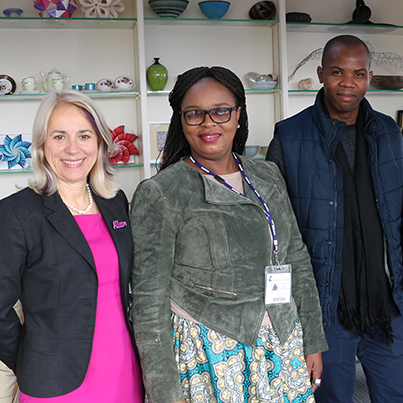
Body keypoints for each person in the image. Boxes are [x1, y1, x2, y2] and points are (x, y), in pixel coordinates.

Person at [130, 66, 328, 403]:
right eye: (195, 114)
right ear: (181, 120)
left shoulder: (268, 176)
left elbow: (295, 257)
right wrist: (163, 388)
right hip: (210, 353)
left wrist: (313, 339)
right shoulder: (161, 192)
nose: (209, 123)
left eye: (221, 111)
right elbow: (149, 299)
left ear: (238, 115)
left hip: (282, 340)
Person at [266, 35, 403, 402]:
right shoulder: (290, 135)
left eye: (358, 74)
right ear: (321, 73)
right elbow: (273, 228)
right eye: (338, 72)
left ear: (369, 78)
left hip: (386, 303)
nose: (348, 83)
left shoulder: (389, 132)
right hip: (325, 308)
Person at [0, 90, 144, 402]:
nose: (73, 148)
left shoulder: (115, 202)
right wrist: (29, 357)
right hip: (54, 382)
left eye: (84, 135)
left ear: (99, 143)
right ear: (41, 145)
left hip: (124, 372)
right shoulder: (18, 213)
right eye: (59, 136)